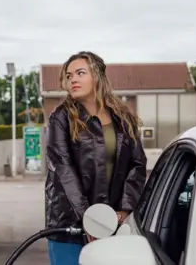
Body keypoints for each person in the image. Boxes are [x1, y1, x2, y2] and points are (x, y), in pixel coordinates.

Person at [45, 51, 147, 265]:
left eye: (80, 73)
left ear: (97, 76)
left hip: (112, 225)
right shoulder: (61, 118)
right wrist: (89, 219)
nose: (73, 79)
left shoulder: (123, 118)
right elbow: (64, 169)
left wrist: (124, 209)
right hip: (70, 226)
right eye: (69, 75)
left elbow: (136, 164)